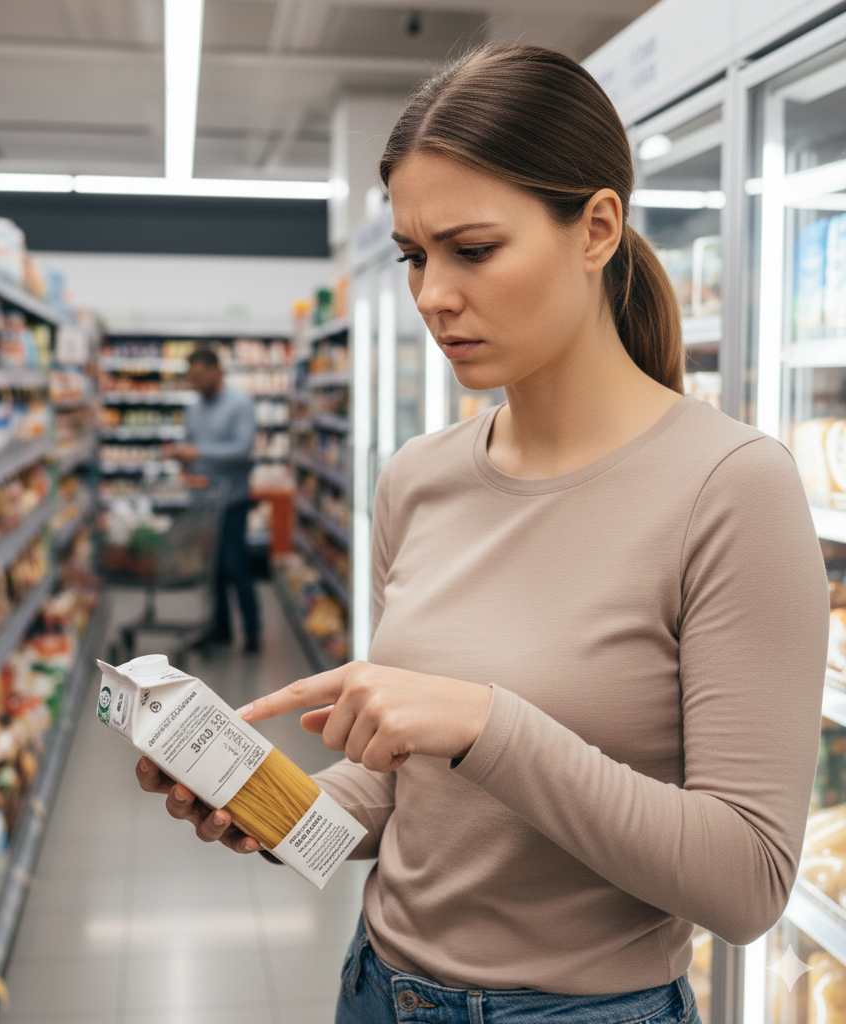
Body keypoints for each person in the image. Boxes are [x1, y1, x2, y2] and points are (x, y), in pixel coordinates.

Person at [137, 44, 829, 1024]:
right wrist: (275, 805)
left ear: (596, 229)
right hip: (377, 987)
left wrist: (486, 725)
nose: (431, 295)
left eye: (472, 250)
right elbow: (403, 790)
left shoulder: (731, 487)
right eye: (414, 257)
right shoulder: (416, 479)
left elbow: (746, 881)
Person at [165, 346, 261, 653]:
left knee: (237, 565)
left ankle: (252, 632)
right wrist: (180, 454)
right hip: (202, 502)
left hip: (232, 500)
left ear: (216, 370)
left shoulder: (240, 404)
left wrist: (199, 452)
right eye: (190, 377)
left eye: (199, 376)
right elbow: (189, 443)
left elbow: (243, 449)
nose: (194, 382)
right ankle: (221, 629)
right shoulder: (193, 408)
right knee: (211, 569)